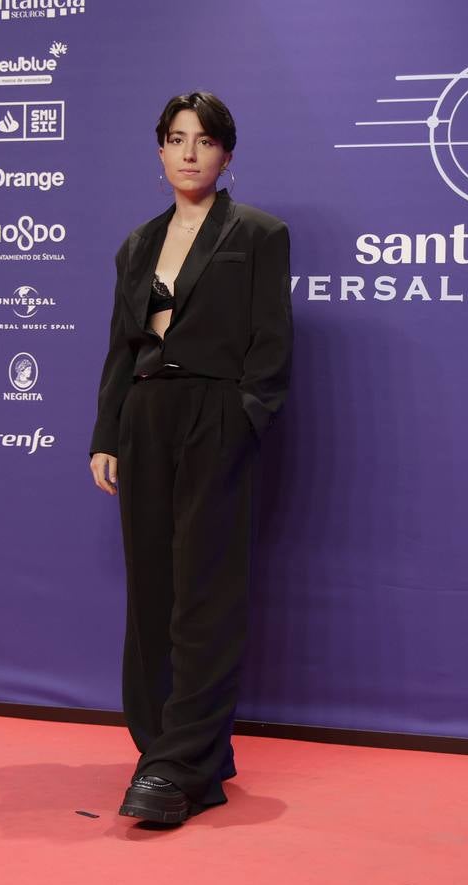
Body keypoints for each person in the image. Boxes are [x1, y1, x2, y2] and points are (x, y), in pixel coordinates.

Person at [87, 91, 292, 825]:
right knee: (151, 596)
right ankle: (165, 749)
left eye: (204, 140)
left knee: (204, 593)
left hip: (215, 414)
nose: (189, 152)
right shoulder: (136, 244)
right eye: (175, 139)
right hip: (145, 416)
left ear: (226, 153)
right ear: (159, 150)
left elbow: (270, 344)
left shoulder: (258, 233)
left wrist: (243, 419)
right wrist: (107, 434)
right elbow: (122, 346)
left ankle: (176, 770)